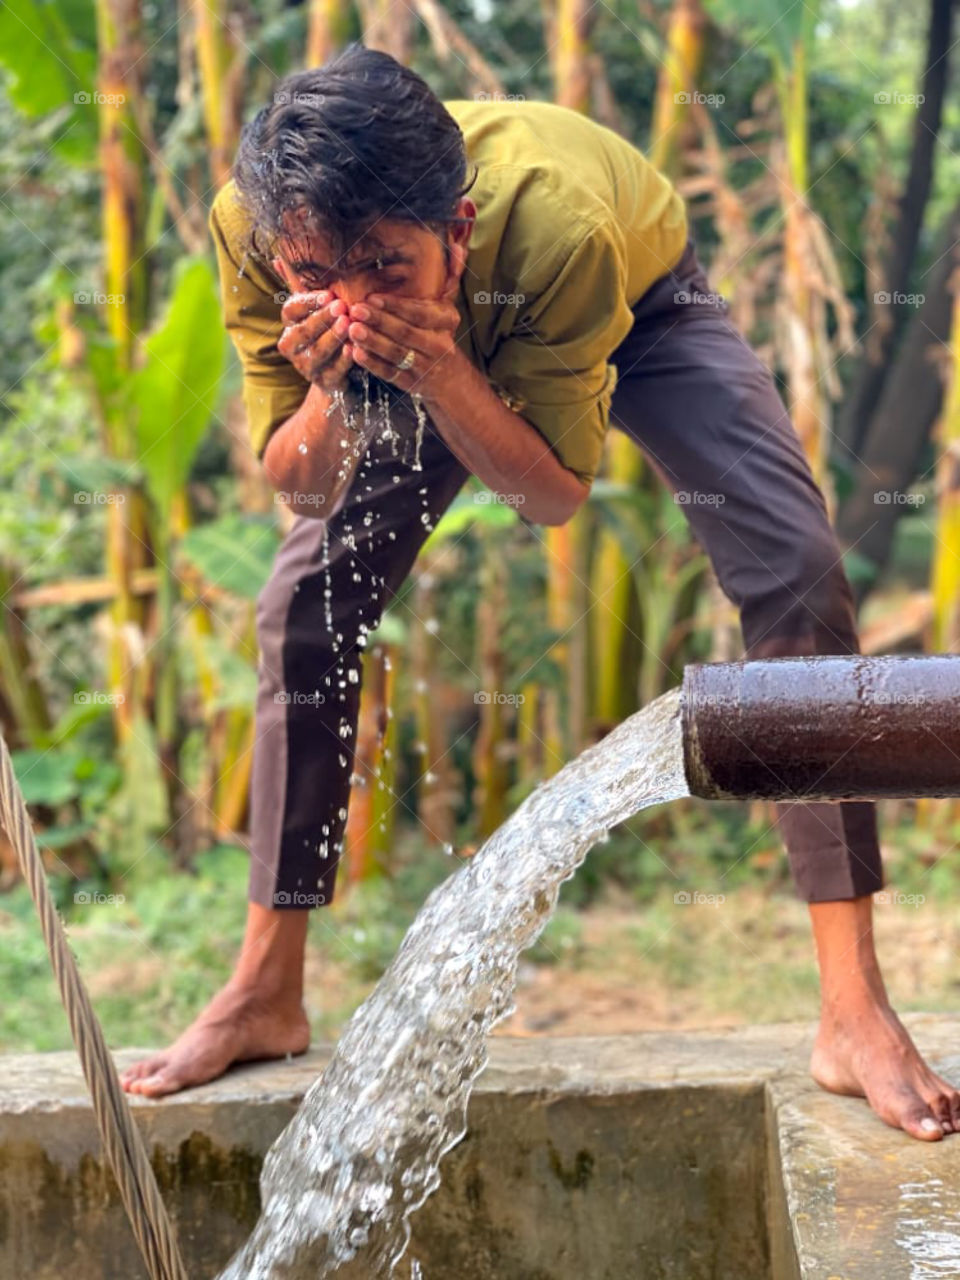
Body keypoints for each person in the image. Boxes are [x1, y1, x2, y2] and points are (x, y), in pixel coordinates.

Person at [120, 43, 960, 1141]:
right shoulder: (264, 229)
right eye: (316, 275)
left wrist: (445, 370)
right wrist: (335, 383)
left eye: (384, 270)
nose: (348, 299)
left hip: (633, 302)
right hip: (420, 351)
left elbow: (553, 494)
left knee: (795, 568)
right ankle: (266, 989)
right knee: (302, 604)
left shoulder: (563, 228)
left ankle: (851, 1008)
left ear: (456, 232)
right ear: (286, 248)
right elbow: (303, 485)